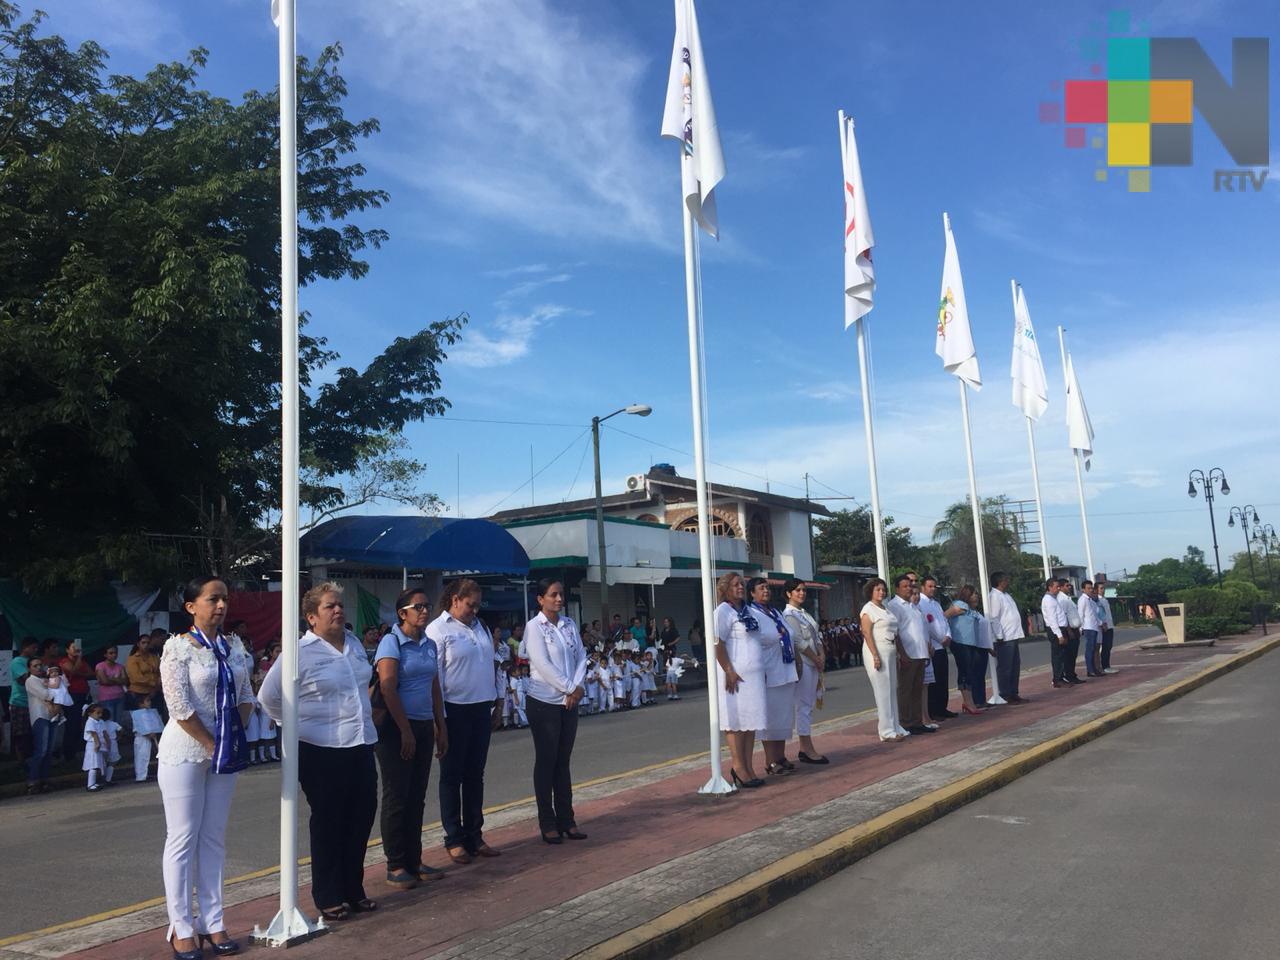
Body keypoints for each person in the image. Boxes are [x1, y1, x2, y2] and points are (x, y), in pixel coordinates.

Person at [260, 582, 379, 923]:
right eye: (330, 606)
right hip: (320, 749)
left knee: (360, 818)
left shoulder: (354, 644)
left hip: (359, 743)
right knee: (328, 822)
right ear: (311, 617)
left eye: (340, 605)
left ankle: (353, 889)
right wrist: (296, 724)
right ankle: (328, 895)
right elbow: (268, 698)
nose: (338, 610)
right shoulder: (298, 653)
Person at [157, 575, 254, 959]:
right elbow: (179, 707)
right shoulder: (178, 649)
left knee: (213, 838)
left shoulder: (234, 646)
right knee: (182, 838)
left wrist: (233, 734)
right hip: (186, 750)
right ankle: (181, 927)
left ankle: (213, 921)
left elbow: (246, 694)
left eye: (225, 599)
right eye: (213, 599)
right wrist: (212, 743)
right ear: (191, 606)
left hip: (221, 752)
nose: (221, 606)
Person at [374, 585, 448, 888]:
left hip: (422, 724)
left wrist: (440, 726)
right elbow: (388, 687)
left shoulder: (429, 644)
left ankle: (414, 859)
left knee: (417, 796)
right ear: (402, 613)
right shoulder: (391, 643)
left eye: (426, 605)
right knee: (397, 796)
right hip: (395, 729)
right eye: (417, 606)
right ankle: (395, 863)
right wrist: (404, 729)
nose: (424, 611)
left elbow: (433, 688)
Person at [428, 578, 504, 867]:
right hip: (454, 710)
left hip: (480, 707)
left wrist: (498, 704)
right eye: (470, 604)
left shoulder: (481, 627)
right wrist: (439, 720)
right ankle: (454, 837)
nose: (474, 609)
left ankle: (475, 834)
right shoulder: (438, 629)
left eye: (477, 605)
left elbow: (491, 666)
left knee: (475, 775)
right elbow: (435, 678)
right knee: (451, 776)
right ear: (455, 599)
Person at [523, 579, 588, 843]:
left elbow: (582, 656)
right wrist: (570, 688)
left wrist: (577, 687)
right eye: (553, 595)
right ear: (540, 599)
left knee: (563, 761)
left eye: (561, 594)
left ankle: (567, 819)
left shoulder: (569, 625)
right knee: (547, 761)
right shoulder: (534, 627)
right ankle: (547, 822)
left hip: (569, 702)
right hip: (544, 702)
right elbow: (542, 664)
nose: (559, 599)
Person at [781, 579, 828, 764]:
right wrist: (816, 658)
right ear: (788, 593)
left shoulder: (804, 613)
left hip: (814, 662)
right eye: (797, 590)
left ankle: (806, 747)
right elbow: (799, 642)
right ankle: (806, 748)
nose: (802, 593)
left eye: (803, 590)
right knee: (803, 707)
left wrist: (822, 654)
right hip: (805, 664)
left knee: (807, 706)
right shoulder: (789, 615)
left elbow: (817, 636)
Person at [860, 578, 907, 741]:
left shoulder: (885, 609)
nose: (881, 592)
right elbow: (866, 633)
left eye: (883, 589)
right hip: (877, 650)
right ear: (870, 591)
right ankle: (886, 731)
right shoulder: (868, 609)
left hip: (890, 650)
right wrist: (874, 655)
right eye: (877, 589)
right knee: (882, 692)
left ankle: (895, 726)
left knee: (891, 689)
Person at [887, 575, 933, 735]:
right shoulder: (894, 606)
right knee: (905, 690)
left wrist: (927, 646)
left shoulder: (913, 606)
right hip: (908, 653)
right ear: (897, 588)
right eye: (905, 586)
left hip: (920, 652)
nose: (909, 588)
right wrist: (902, 654)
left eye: (910, 585)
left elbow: (920, 628)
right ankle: (905, 722)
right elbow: (895, 632)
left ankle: (916, 721)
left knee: (917, 689)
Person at [946, 586, 990, 714]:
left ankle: (970, 702)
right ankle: (968, 702)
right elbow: (945, 615)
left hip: (971, 644)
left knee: (970, 672)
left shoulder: (973, 611)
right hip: (960, 642)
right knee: (964, 672)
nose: (976, 596)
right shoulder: (960, 605)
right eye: (973, 594)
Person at [919, 577, 957, 719]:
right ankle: (933, 710)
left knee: (943, 678)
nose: (933, 589)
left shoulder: (936, 604)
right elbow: (927, 626)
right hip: (933, 646)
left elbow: (944, 621)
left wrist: (948, 635)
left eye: (934, 586)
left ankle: (942, 707)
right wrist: (940, 639)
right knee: (933, 681)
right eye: (930, 586)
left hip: (942, 646)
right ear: (923, 587)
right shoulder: (921, 603)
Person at [988, 573, 1027, 703]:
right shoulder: (994, 596)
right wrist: (999, 635)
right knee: (1005, 666)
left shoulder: (1006, 595)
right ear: (1000, 582)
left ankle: (1013, 692)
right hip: (1004, 637)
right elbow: (994, 617)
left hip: (1013, 635)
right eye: (1006, 579)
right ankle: (1005, 693)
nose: (1008, 582)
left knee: (1015, 665)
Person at [24, 657, 56, 793]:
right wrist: (54, 687)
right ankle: (32, 780)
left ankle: (44, 780)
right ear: (29, 668)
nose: (38, 668)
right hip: (40, 716)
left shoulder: (46, 680)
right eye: (35, 666)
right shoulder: (30, 681)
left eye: (40, 665)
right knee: (41, 750)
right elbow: (46, 695)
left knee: (49, 751)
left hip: (52, 716)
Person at [59, 640, 94, 760]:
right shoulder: (64, 661)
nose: (76, 650)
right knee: (72, 724)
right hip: (71, 696)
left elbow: (90, 673)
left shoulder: (82, 662)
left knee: (80, 723)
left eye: (78, 647)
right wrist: (79, 660)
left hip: (83, 695)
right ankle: (68, 754)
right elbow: (72, 671)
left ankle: (76, 750)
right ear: (67, 650)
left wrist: (79, 672)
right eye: (73, 647)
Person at [9, 636, 39, 764]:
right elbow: (25, 678)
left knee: (32, 734)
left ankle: (31, 759)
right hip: (20, 702)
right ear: (24, 648)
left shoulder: (35, 661)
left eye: (36, 648)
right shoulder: (17, 661)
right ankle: (21, 762)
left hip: (34, 703)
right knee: (21, 733)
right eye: (33, 647)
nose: (35, 650)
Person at [1041, 578, 1070, 688]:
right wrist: (1059, 635)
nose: (1058, 589)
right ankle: (1057, 679)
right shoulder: (1048, 600)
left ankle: (1061, 677)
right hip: (1055, 630)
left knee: (1062, 655)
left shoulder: (1053, 599)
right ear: (1049, 587)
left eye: (1059, 587)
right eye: (1056, 587)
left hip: (1060, 628)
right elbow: (1052, 619)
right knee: (1057, 655)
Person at [131, 694, 164, 782]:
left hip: (151, 736)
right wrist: (147, 734)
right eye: (147, 701)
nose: (150, 702)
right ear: (141, 704)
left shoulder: (151, 712)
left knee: (148, 756)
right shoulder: (136, 714)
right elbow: (139, 727)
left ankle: (145, 774)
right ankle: (140, 776)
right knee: (142, 756)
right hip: (142, 738)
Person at [1058, 580, 1085, 685]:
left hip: (1075, 628)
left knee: (1073, 655)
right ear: (1060, 587)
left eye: (1069, 585)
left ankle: (1072, 674)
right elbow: (1064, 616)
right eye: (1067, 585)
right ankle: (1069, 675)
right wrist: (1069, 630)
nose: (1069, 587)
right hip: (1069, 630)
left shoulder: (1068, 598)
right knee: (1069, 655)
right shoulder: (1062, 599)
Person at [95, 645, 129, 726]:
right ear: (105, 655)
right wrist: (118, 680)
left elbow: (126, 681)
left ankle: (118, 738)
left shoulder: (120, 666)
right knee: (109, 722)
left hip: (120, 697)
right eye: (111, 653)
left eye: (115, 653)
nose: (114, 655)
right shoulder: (100, 666)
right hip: (106, 698)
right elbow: (105, 681)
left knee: (118, 723)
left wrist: (111, 679)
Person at [127, 634, 162, 709]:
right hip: (138, 692)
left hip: (154, 691)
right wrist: (153, 683)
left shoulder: (155, 657)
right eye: (143, 643)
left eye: (148, 643)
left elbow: (160, 671)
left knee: (156, 715)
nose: (146, 645)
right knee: (141, 717)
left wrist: (158, 684)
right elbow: (136, 677)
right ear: (138, 644)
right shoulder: (133, 659)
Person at [1078, 580, 1104, 678]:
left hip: (1094, 627)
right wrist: (1081, 628)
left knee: (1093, 649)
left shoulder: (1091, 601)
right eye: (1088, 588)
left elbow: (1094, 615)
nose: (1090, 590)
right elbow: (1080, 614)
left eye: (1091, 588)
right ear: (1083, 589)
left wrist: (1100, 623)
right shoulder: (1082, 600)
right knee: (1089, 649)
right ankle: (1090, 670)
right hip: (1088, 627)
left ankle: (1094, 669)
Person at [1095, 574, 1119, 674]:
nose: (1103, 590)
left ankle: (1107, 665)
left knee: (1108, 646)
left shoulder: (1104, 599)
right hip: (1104, 627)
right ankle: (1105, 666)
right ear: (1096, 590)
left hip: (1109, 625)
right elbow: (1099, 613)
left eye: (1103, 588)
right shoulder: (1097, 600)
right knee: (1105, 646)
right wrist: (1103, 624)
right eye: (1101, 588)